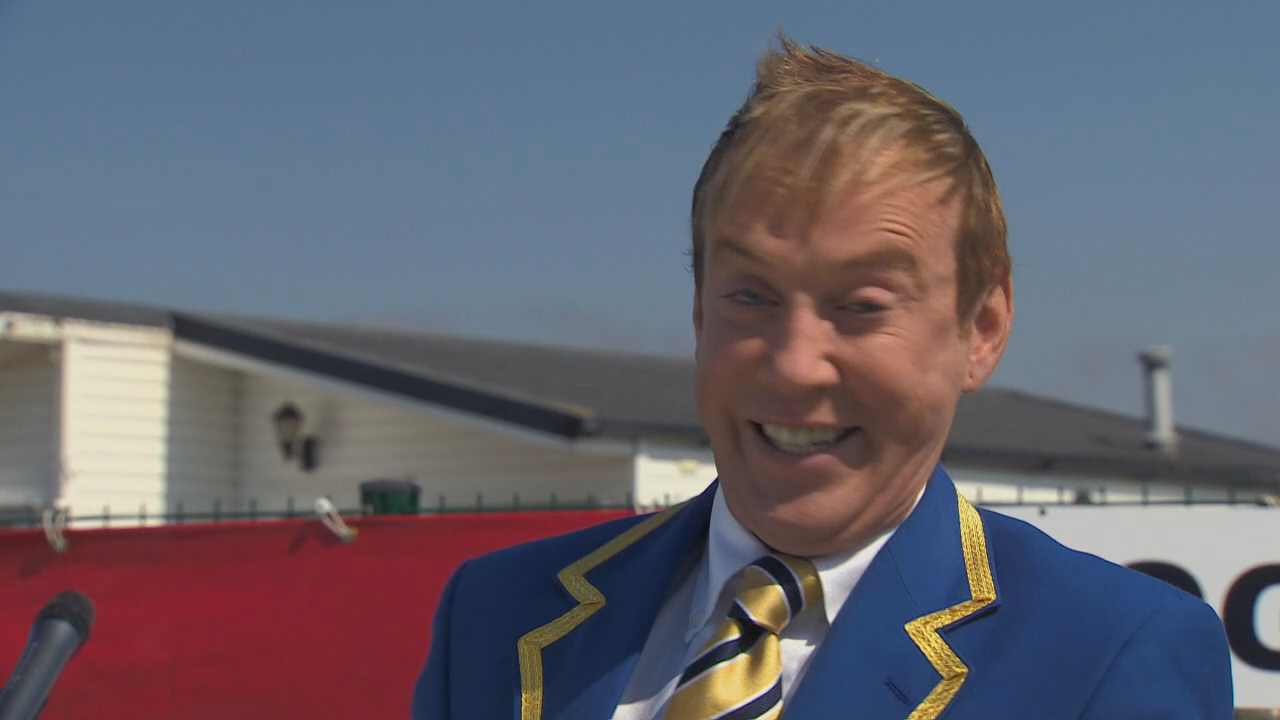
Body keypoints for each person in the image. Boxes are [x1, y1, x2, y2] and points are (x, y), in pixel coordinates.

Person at [412, 37, 1233, 719]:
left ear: (981, 330)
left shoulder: (1107, 656)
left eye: (862, 305)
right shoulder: (496, 617)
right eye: (751, 296)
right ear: (698, 311)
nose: (795, 364)